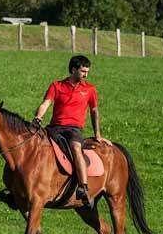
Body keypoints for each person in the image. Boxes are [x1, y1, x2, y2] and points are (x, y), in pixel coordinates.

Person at [32, 55, 109, 207]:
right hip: (54, 128)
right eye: (83, 71)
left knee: (75, 147)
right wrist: (38, 117)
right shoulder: (56, 86)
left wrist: (98, 135)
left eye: (87, 72)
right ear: (73, 69)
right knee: (36, 144)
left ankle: (83, 187)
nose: (85, 75)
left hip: (73, 130)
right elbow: (46, 103)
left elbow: (94, 112)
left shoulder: (90, 89)